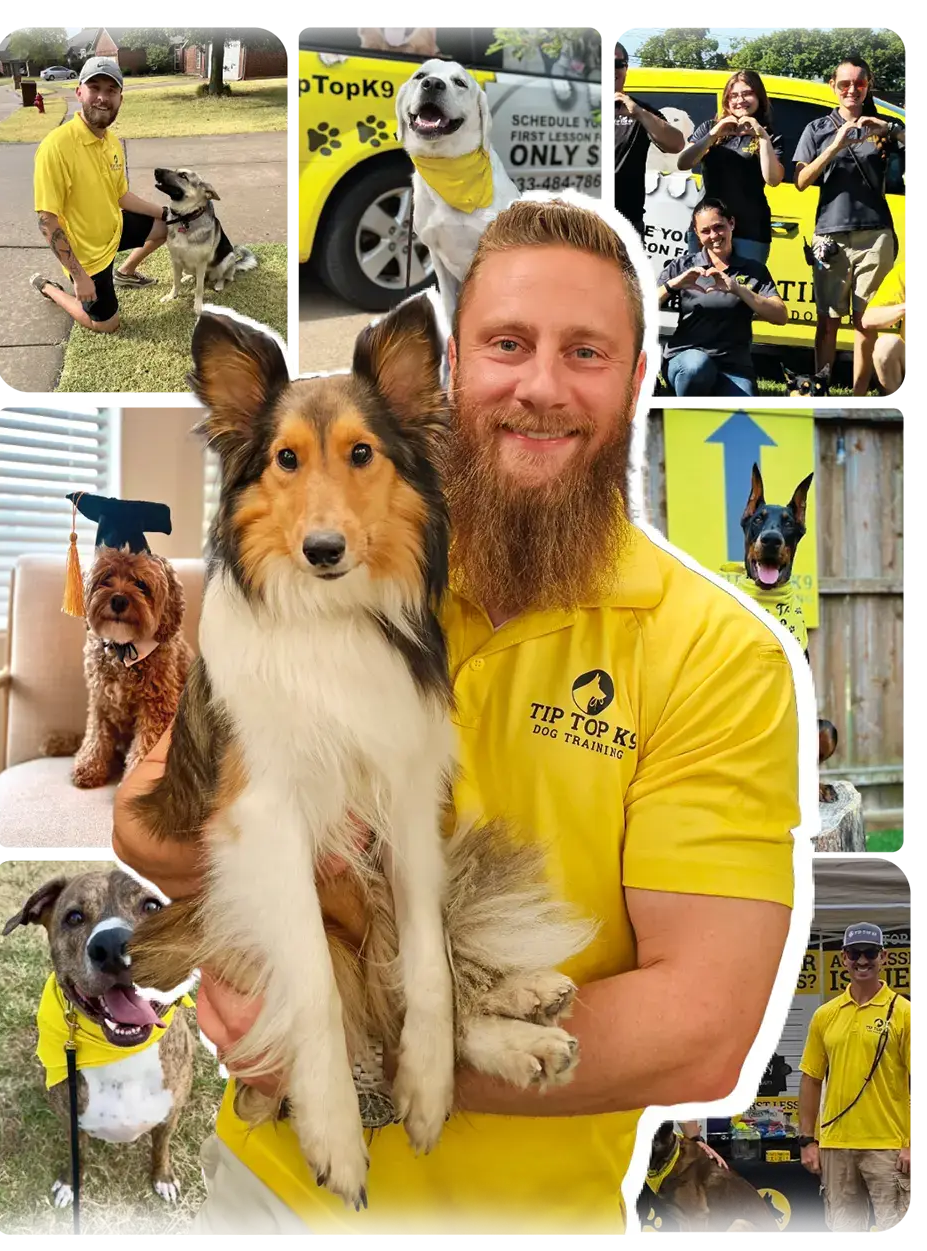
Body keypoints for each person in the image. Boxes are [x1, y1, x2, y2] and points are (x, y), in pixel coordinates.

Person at [113, 194, 801, 1238]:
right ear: (444, 379)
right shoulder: (325, 562)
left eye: (587, 353)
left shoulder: (721, 657)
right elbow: (149, 823)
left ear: (637, 382)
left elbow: (701, 1030)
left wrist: (359, 1054)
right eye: (507, 345)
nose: (539, 386)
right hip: (269, 1189)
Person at [793, 55, 907, 397]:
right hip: (831, 233)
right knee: (827, 321)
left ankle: (858, 397)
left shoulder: (882, 125)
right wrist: (837, 144)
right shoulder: (817, 128)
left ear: (867, 85)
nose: (852, 90)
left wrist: (890, 129)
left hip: (875, 233)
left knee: (865, 322)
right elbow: (801, 179)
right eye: (845, 84)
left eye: (859, 83)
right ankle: (821, 390)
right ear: (833, 86)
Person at [30, 56, 169, 334]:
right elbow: (47, 221)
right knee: (106, 325)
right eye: (95, 88)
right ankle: (48, 288)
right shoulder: (56, 147)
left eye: (111, 90)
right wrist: (79, 277)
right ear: (79, 92)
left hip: (114, 230)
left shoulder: (112, 142)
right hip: (87, 257)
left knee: (167, 227)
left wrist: (166, 213)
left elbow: (121, 197)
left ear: (120, 98)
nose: (102, 98)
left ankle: (125, 273)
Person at [797, 923, 912, 1235]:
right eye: (854, 953)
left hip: (888, 1146)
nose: (863, 960)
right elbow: (810, 1078)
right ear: (843, 958)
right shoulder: (825, 1014)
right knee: (845, 1231)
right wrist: (808, 1139)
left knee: (894, 1227)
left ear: (883, 957)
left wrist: (911, 1144)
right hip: (836, 1145)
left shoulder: (903, 1012)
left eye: (870, 952)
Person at [657, 197, 787, 399]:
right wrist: (673, 284)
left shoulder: (754, 270)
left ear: (732, 224)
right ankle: (684, 416)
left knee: (744, 415)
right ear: (697, 234)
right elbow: (640, 306)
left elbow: (780, 316)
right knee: (697, 369)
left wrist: (738, 289)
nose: (714, 236)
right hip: (687, 357)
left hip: (733, 366)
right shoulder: (683, 266)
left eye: (719, 227)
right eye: (705, 231)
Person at [676, 70, 784, 266]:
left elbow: (773, 179)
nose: (740, 100)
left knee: (744, 291)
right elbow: (683, 162)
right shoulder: (710, 127)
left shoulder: (770, 136)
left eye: (747, 93)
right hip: (708, 227)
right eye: (733, 95)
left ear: (759, 97)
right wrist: (713, 135)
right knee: (701, 289)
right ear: (726, 101)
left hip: (750, 231)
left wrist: (761, 136)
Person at [612, 40, 684, 241]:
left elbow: (676, 144)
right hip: (580, 221)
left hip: (625, 223)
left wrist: (639, 114)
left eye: (618, 64)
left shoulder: (639, 110)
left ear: (626, 68)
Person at [861, 260, 906, 401]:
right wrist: (905, 307)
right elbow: (868, 319)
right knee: (886, 345)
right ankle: (898, 404)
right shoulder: (905, 271)